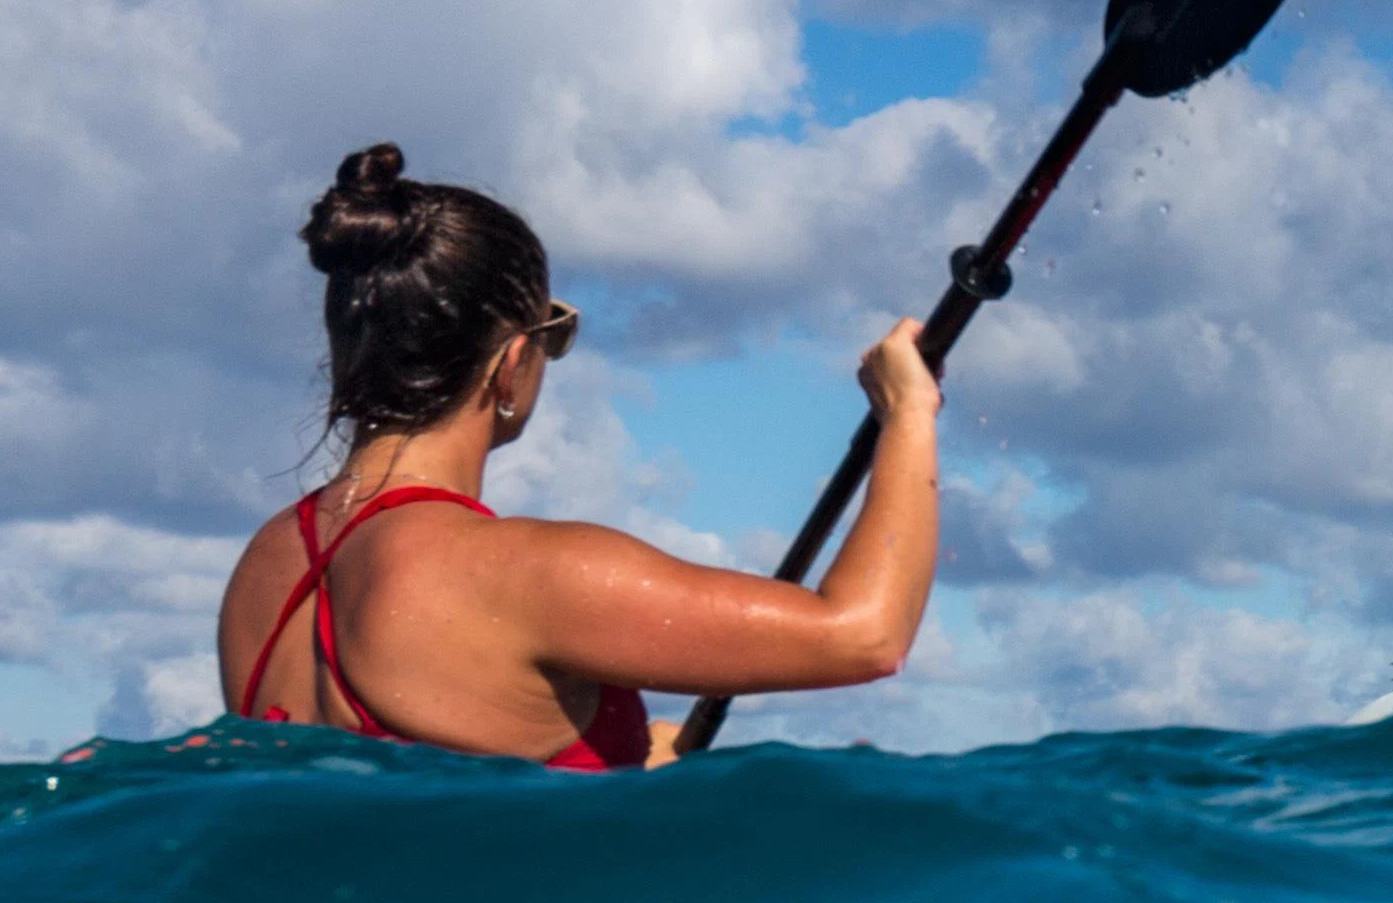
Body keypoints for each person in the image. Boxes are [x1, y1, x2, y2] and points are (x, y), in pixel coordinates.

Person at [214, 145, 941, 769]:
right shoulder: (527, 576)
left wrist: (623, 757)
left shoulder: (266, 569)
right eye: (553, 334)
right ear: (511, 364)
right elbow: (863, 635)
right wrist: (907, 414)